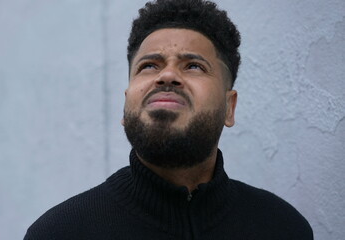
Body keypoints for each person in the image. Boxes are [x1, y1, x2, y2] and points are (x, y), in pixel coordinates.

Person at [24, 0, 313, 239]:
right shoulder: (60, 232)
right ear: (126, 105)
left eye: (194, 66)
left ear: (229, 107)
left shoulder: (283, 228)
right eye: (149, 65)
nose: (167, 75)